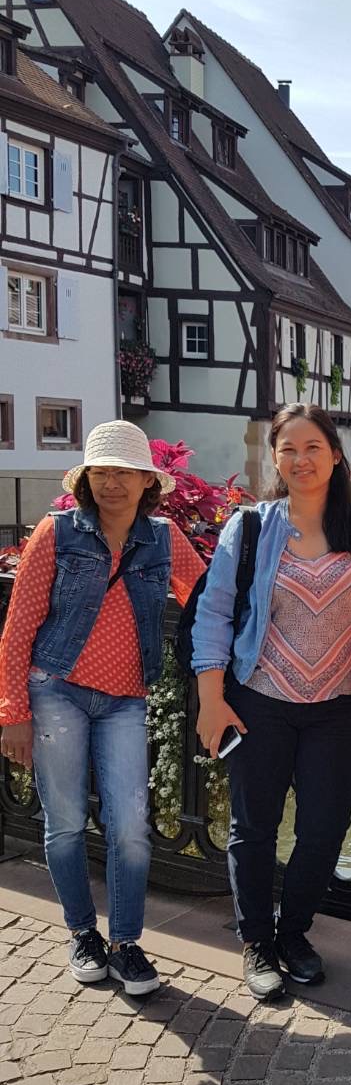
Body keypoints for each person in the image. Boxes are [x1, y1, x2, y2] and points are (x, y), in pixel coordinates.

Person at [190, 404, 351, 1001]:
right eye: (289, 449)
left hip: (336, 705)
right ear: (276, 459)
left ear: (335, 455)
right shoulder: (252, 527)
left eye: (313, 448)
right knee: (254, 827)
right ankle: (257, 941)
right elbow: (213, 612)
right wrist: (211, 698)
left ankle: (294, 932)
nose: (301, 459)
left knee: (325, 828)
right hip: (259, 701)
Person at [0, 422, 205, 995]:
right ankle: (82, 932)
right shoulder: (57, 533)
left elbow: (207, 599)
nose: (112, 483)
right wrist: (13, 711)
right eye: (101, 472)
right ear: (86, 479)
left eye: (124, 472)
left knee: (131, 828)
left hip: (126, 700)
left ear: (147, 481)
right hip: (56, 689)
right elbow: (18, 628)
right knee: (65, 822)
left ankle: (127, 943)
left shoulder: (163, 538)